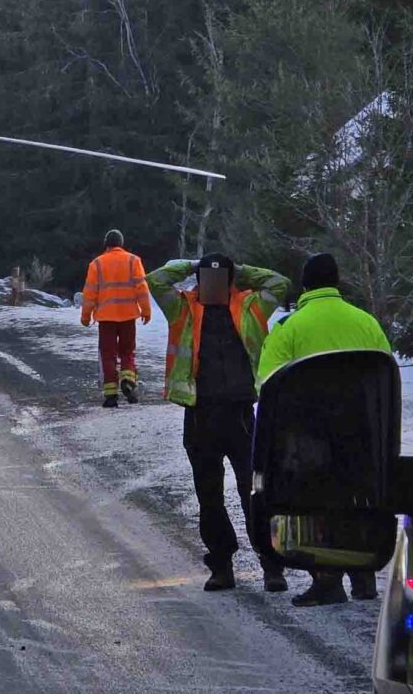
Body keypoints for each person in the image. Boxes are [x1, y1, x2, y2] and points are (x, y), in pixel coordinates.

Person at [147, 253, 291, 594]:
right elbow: (155, 280)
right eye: (206, 279)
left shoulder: (250, 306)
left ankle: (271, 565)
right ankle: (221, 566)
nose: (211, 286)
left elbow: (280, 283)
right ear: (199, 280)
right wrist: (191, 264)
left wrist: (238, 270)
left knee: (255, 492)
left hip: (241, 415)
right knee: (209, 497)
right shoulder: (183, 308)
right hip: (201, 415)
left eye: (219, 279)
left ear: (230, 281)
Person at [258, 252, 393, 608]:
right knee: (354, 496)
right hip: (360, 431)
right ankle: (363, 575)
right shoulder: (365, 322)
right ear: (337, 281)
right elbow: (385, 373)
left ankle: (327, 579)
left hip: (310, 435)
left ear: (304, 286)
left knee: (316, 503)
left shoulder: (289, 327)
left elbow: (267, 383)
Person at [79, 229, 152, 407]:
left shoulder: (96, 264)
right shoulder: (133, 261)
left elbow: (89, 293)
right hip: (128, 316)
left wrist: (86, 316)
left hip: (106, 318)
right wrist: (146, 310)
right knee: (127, 351)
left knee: (108, 355)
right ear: (121, 243)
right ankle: (128, 380)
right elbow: (142, 288)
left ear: (106, 244)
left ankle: (111, 396)